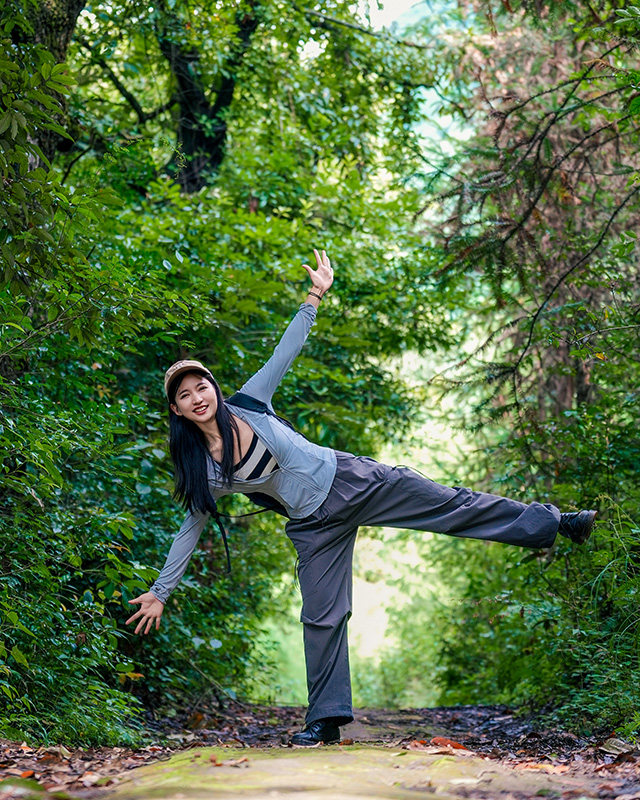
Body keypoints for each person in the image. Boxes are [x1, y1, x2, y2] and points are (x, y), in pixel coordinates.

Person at [126, 249, 597, 747]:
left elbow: (284, 350)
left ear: (215, 390)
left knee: (451, 504)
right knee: (321, 615)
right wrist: (160, 591)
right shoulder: (204, 471)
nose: (198, 396)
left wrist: (316, 294)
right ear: (177, 411)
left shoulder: (249, 404)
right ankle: (325, 719)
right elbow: (188, 531)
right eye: (185, 395)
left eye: (202, 386)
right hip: (313, 525)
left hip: (352, 480)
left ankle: (557, 523)